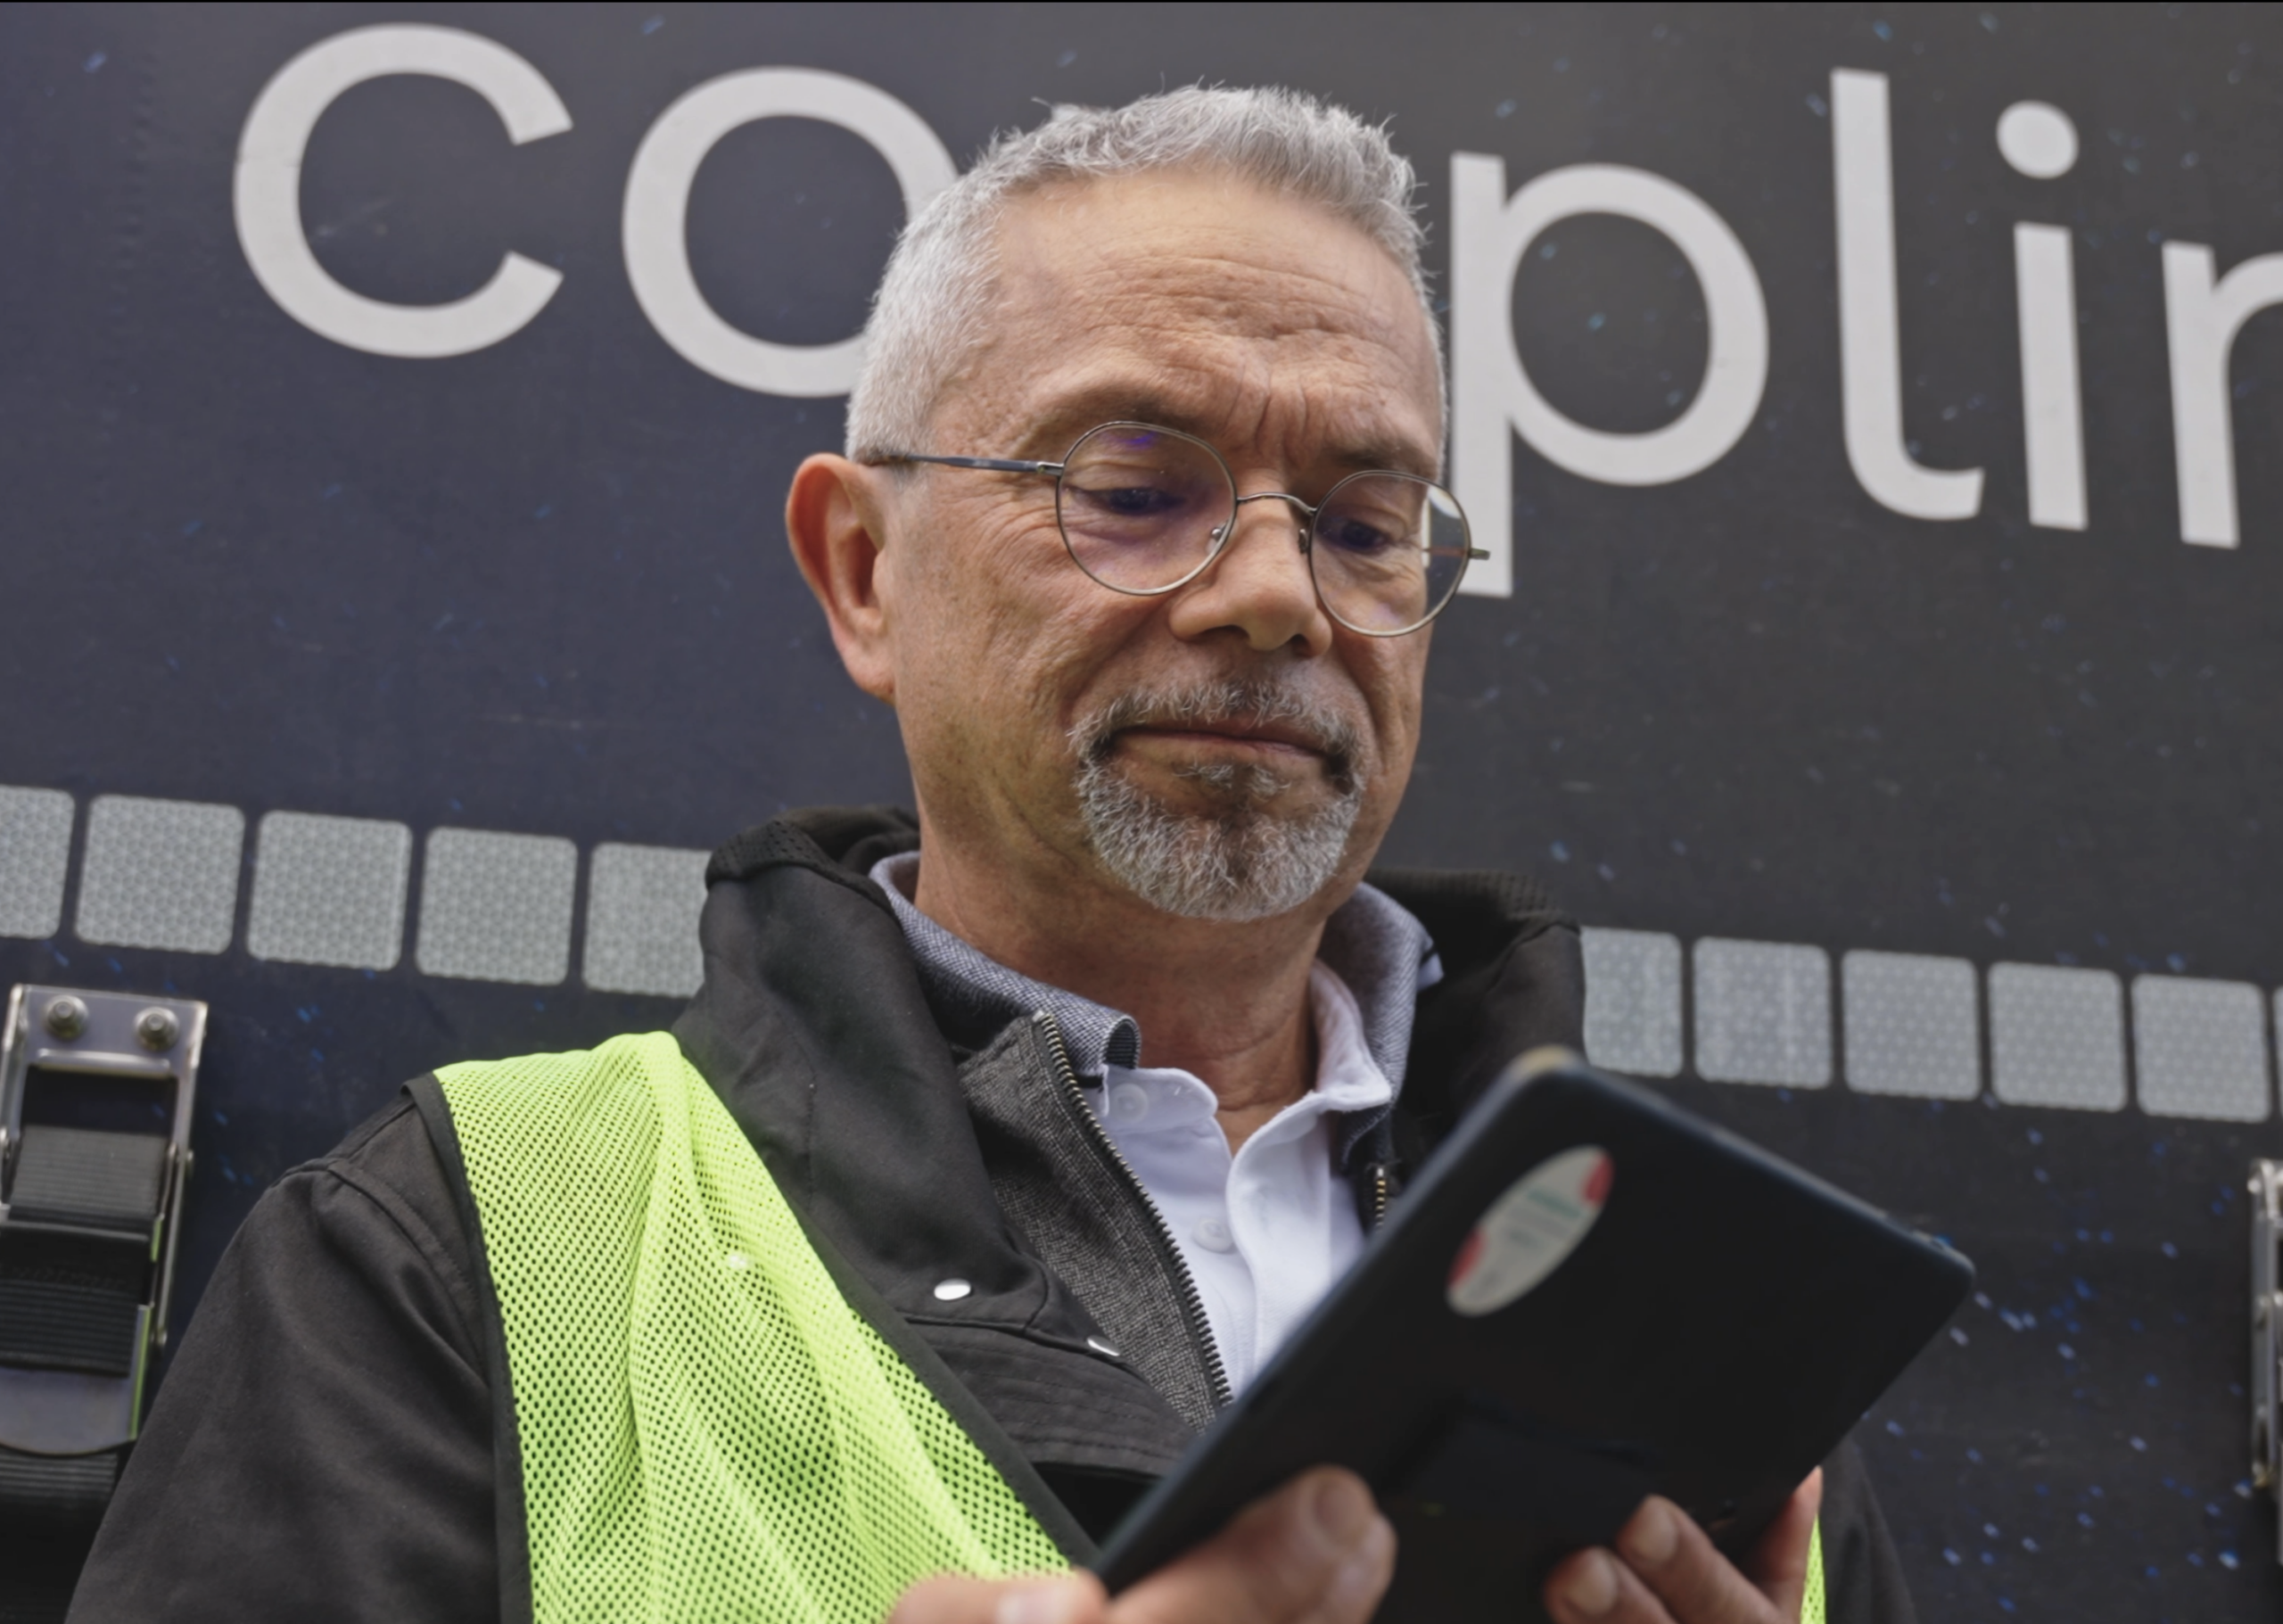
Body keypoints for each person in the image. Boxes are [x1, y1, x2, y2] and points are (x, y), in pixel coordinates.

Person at [70, 87, 1913, 1624]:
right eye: (1133, 490)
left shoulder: (1685, 1340)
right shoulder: (457, 1249)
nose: (1276, 591)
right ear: (865, 572)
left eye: (1364, 520)